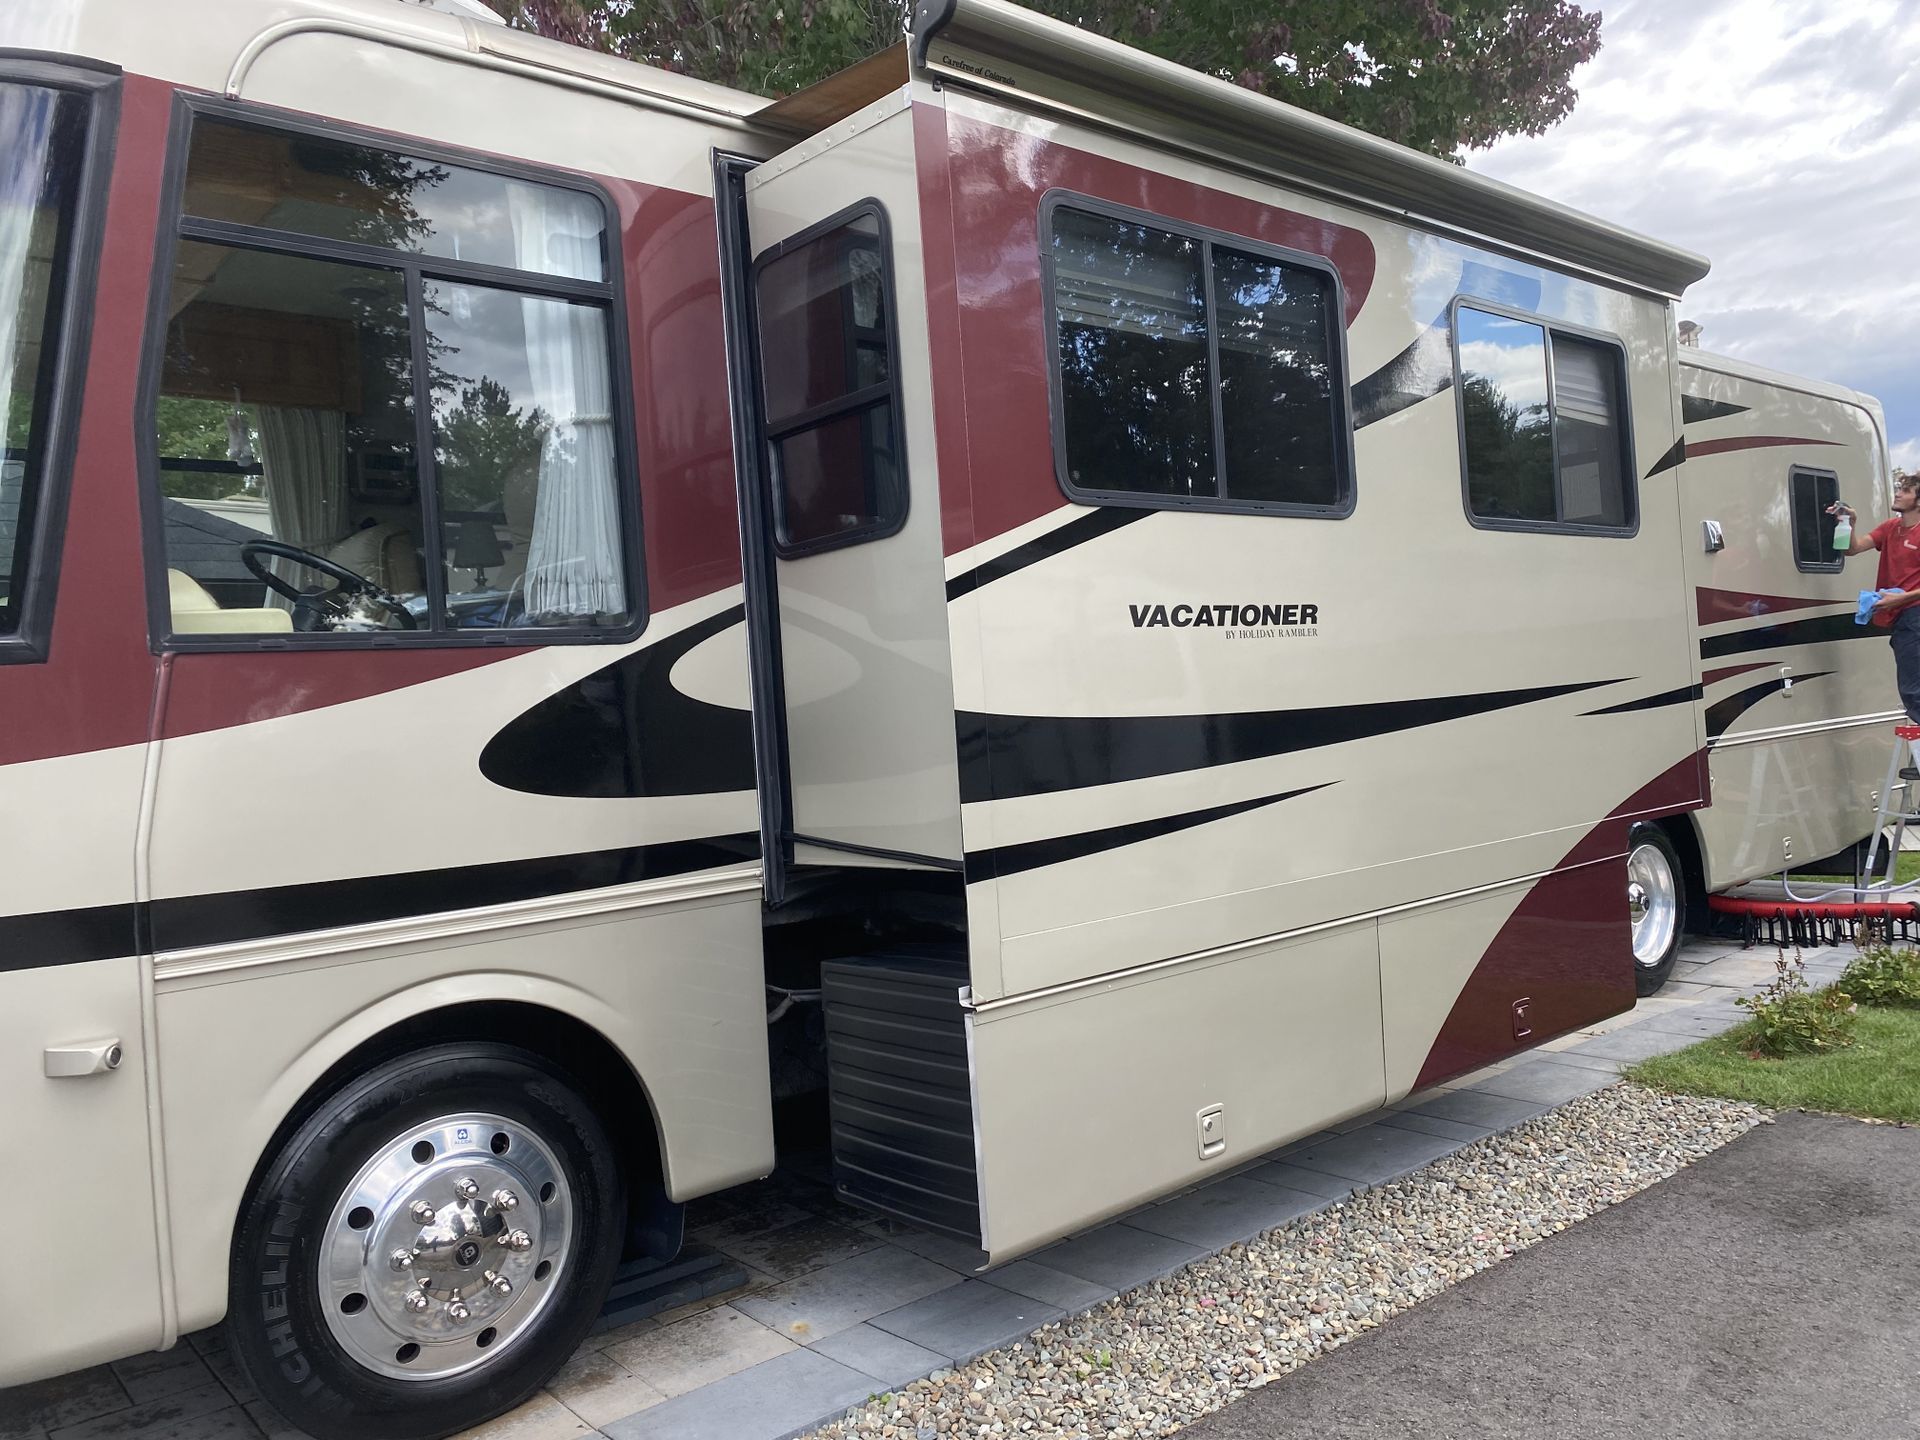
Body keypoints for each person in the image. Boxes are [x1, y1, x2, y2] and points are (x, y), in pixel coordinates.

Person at [1833, 473, 1920, 764]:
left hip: (1915, 614)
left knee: (1913, 690)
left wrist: (1901, 598)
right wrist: (1847, 522)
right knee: (1911, 688)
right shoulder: (1891, 528)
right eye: (1899, 488)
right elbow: (1850, 549)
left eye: (1906, 491)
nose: (1898, 493)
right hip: (1901, 617)